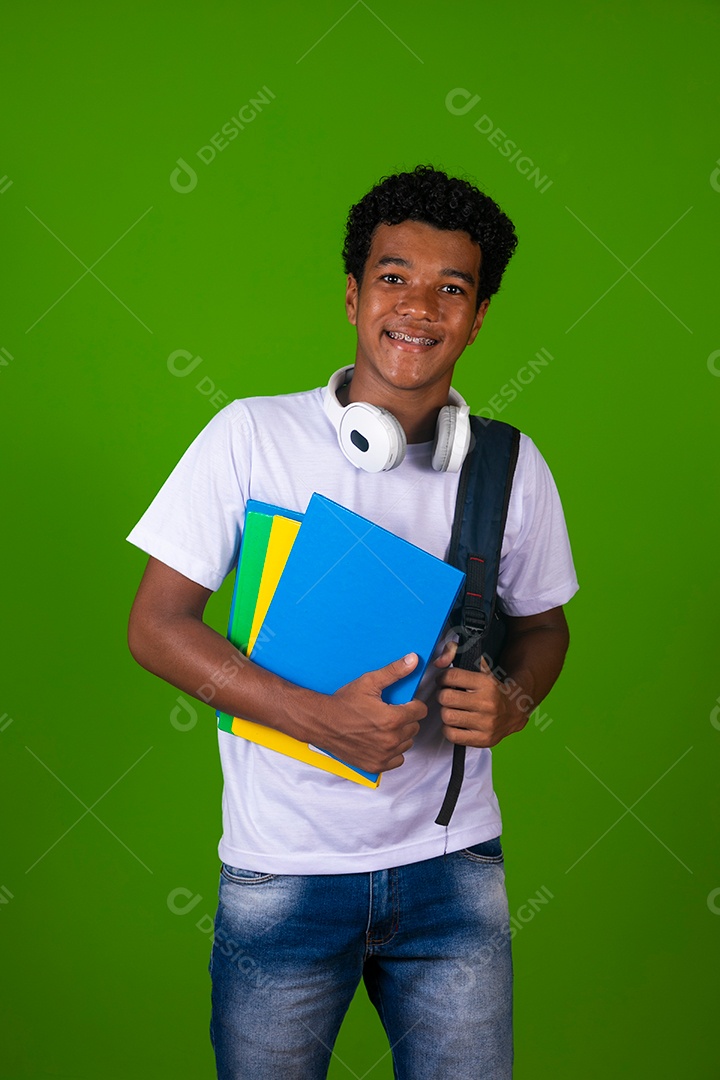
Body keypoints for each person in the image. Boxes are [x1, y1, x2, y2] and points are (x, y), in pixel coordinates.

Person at [126, 164, 578, 1079]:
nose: (419, 307)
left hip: (454, 871)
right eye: (393, 277)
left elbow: (544, 628)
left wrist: (516, 699)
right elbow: (158, 626)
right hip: (281, 872)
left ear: (480, 315)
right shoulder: (251, 436)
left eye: (452, 288)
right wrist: (316, 716)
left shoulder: (508, 465)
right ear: (352, 295)